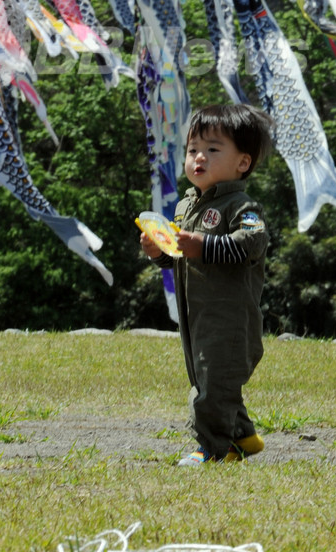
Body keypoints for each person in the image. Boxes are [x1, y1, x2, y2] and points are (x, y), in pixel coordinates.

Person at [140, 103, 274, 466]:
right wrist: (158, 252)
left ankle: (215, 450)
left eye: (213, 149)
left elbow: (253, 243)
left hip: (230, 320)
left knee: (213, 385)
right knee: (209, 379)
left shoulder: (241, 207)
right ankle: (243, 436)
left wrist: (204, 245)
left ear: (242, 163)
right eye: (192, 149)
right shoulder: (188, 205)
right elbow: (180, 256)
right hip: (196, 316)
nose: (199, 157)